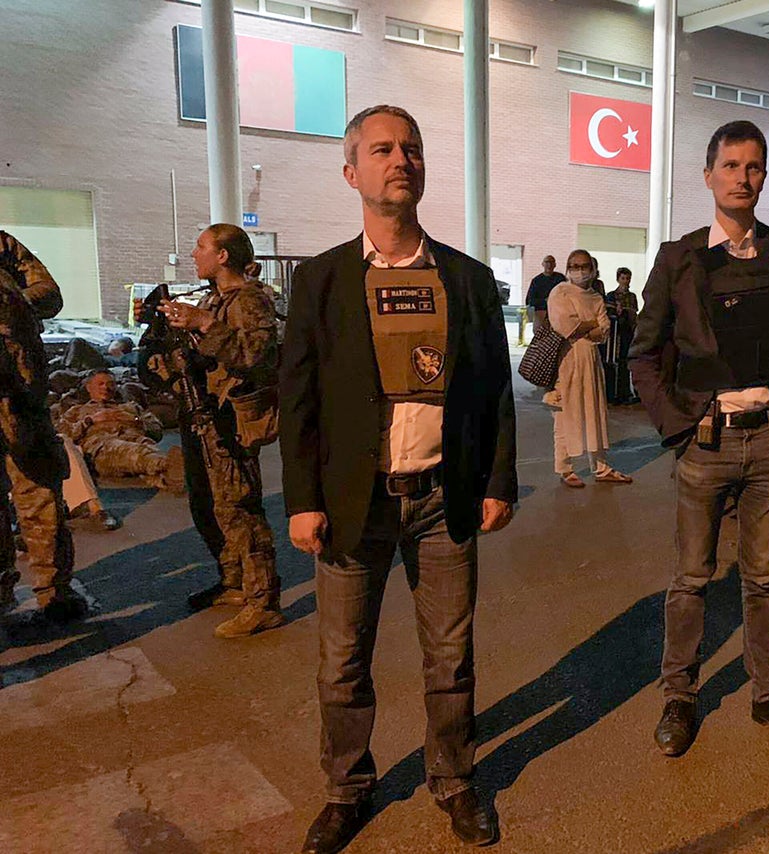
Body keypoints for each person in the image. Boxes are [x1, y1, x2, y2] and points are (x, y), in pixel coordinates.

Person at [280, 105, 517, 852]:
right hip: (354, 503)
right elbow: (300, 400)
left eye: (411, 147)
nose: (400, 159)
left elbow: (495, 391)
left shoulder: (468, 280)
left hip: (443, 499)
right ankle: (348, 790)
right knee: (342, 660)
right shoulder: (320, 281)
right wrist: (303, 501)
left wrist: (498, 480)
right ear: (353, 173)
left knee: (449, 656)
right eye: (382, 149)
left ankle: (453, 781)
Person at [631, 120, 769, 760]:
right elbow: (642, 354)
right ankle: (679, 696)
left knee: (764, 580)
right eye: (730, 166)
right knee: (691, 580)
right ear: (708, 174)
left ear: (764, 176)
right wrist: (679, 428)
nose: (742, 178)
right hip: (706, 444)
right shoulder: (679, 257)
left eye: (753, 167)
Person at [137, 224, 283, 638]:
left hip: (233, 417)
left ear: (223, 256)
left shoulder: (250, 299)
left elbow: (256, 355)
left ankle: (263, 601)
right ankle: (235, 581)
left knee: (241, 508)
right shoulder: (216, 300)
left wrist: (204, 322)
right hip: (206, 414)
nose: (194, 254)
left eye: (202, 247)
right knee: (216, 505)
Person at [0, 231, 82, 620]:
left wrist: (14, 302)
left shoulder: (3, 247)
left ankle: (54, 591)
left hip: (20, 390)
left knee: (39, 489)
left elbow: (50, 293)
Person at [546, 250, 633, 488]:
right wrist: (590, 324)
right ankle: (564, 468)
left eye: (584, 266)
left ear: (593, 269)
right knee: (565, 415)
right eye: (574, 265)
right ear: (567, 267)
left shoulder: (595, 296)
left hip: (591, 361)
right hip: (566, 361)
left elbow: (603, 331)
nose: (580, 270)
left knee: (595, 412)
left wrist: (587, 325)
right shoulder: (560, 292)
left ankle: (601, 466)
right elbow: (567, 326)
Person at [59, 370, 185, 491]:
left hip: (138, 441)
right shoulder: (77, 410)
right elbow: (63, 435)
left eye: (111, 384)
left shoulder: (131, 407)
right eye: (101, 384)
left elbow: (157, 431)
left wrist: (135, 420)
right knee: (133, 453)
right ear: (89, 387)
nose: (106, 388)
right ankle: (168, 463)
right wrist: (89, 421)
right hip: (103, 447)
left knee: (151, 466)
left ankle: (168, 478)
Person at [604, 266, 639, 403]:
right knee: (613, 362)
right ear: (618, 279)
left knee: (625, 362)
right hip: (615, 334)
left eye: (627, 278)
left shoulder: (632, 297)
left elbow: (633, 312)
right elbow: (608, 312)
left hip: (627, 332)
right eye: (623, 278)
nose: (625, 281)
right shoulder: (611, 295)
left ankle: (624, 392)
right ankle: (612, 392)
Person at [525, 255, 564, 334]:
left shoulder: (560, 279)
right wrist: (545, 301)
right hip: (541, 315)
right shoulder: (536, 280)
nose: (549, 265)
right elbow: (530, 300)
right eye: (547, 262)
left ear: (555, 265)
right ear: (542, 264)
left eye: (551, 262)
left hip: (558, 315)